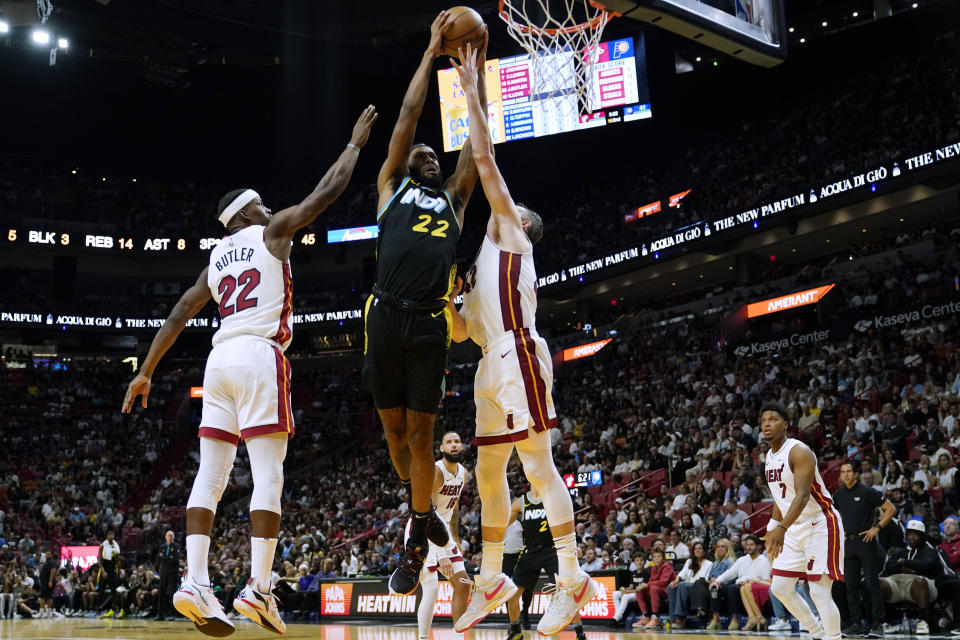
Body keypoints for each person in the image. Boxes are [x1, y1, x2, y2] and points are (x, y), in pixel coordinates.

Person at [122, 105, 378, 637]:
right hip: (261, 355)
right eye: (260, 204)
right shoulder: (270, 232)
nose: (268, 209)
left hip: (217, 362)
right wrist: (353, 146)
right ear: (245, 214)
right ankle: (259, 589)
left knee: (209, 478)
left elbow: (178, 314)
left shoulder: (214, 260)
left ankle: (195, 581)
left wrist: (146, 370)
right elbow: (324, 194)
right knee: (269, 477)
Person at [446, 43, 598, 637]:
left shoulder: (512, 234)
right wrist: (447, 298)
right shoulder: (481, 262)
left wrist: (471, 92)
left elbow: (483, 157)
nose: (505, 206)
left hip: (518, 353)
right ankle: (490, 580)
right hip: (488, 360)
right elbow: (460, 333)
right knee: (488, 476)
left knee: (537, 466)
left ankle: (572, 576)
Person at [362, 11, 486, 597]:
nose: (429, 156)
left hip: (431, 320)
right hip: (383, 315)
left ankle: (415, 537)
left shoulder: (454, 203)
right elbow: (409, 117)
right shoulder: (392, 187)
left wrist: (473, 78)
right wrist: (430, 49)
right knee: (393, 432)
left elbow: (475, 147)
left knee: (421, 434)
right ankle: (421, 506)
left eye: (434, 157)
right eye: (422, 155)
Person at [761, 403, 845, 640]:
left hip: (820, 523)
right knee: (780, 588)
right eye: (763, 420)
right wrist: (771, 529)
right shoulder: (768, 456)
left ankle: (834, 637)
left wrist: (781, 528)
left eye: (773, 419)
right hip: (793, 527)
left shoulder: (799, 451)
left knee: (820, 592)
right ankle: (816, 632)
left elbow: (803, 495)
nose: (767, 423)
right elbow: (781, 496)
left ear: (786, 424)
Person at [405, 432, 471, 640]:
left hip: (443, 531)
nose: (453, 445)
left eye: (457, 442)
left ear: (461, 447)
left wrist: (456, 539)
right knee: (431, 588)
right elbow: (427, 514)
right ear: (441, 448)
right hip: (422, 529)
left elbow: (453, 508)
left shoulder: (464, 473)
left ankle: (458, 637)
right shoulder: (436, 471)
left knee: (463, 585)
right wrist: (441, 554)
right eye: (449, 442)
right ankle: (424, 638)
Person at [505, 485, 586, 640]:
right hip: (530, 550)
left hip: (552, 549)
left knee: (566, 593)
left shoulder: (553, 497)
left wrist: (573, 544)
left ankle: (580, 634)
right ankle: (516, 631)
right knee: (513, 593)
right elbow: (503, 525)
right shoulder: (520, 502)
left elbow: (567, 520)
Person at [834, 461, 896, 636]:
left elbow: (890, 509)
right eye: (843, 472)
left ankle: (878, 623)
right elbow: (832, 516)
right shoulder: (838, 495)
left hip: (866, 542)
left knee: (871, 585)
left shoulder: (867, 492)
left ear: (855, 474)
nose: (845, 474)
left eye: (849, 471)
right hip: (848, 545)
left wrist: (877, 527)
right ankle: (854, 623)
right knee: (850, 586)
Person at [880, 519, 939, 634]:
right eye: (909, 534)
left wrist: (904, 562)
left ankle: (923, 622)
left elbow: (926, 565)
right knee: (877, 582)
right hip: (897, 583)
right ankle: (882, 622)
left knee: (920, 581)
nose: (912, 537)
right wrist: (906, 567)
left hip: (922, 584)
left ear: (922, 536)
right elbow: (889, 567)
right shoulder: (900, 552)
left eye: (915, 534)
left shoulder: (930, 551)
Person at [707, 535, 769, 630]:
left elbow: (766, 580)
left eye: (751, 545)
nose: (748, 547)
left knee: (732, 588)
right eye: (747, 545)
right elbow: (730, 573)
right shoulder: (742, 560)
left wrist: (751, 580)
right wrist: (717, 581)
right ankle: (715, 620)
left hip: (753, 587)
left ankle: (735, 620)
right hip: (739, 586)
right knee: (716, 589)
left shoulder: (763, 561)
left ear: (758, 546)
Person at [667, 540, 712, 628]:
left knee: (683, 585)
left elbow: (706, 580)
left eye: (700, 549)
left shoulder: (709, 564)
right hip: (686, 586)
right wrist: (676, 580)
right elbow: (682, 574)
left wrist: (690, 582)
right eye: (695, 549)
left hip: (698, 589)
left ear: (704, 551)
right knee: (671, 587)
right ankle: (673, 619)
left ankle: (680, 617)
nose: (697, 551)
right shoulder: (689, 562)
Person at [632, 548, 676, 629]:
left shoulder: (667, 566)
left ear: (663, 558)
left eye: (658, 557)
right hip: (657, 590)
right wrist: (643, 586)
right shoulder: (653, 568)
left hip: (668, 590)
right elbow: (652, 580)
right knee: (640, 590)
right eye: (654, 557)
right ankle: (645, 616)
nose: (656, 559)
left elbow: (663, 582)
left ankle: (655, 617)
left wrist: (647, 584)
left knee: (653, 588)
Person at [156, 530, 181, 621]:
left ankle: (171, 614)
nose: (169, 537)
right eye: (168, 535)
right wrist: (168, 557)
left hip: (172, 573)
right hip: (163, 572)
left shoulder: (176, 546)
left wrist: (164, 557)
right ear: (165, 537)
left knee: (172, 593)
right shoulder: (162, 547)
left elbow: (175, 559)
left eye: (171, 535)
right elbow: (158, 558)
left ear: (173, 537)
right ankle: (160, 614)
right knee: (161, 593)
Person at [98, 531, 121, 618]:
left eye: (112, 534)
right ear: (107, 536)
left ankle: (114, 610)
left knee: (113, 591)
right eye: (109, 535)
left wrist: (119, 571)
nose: (111, 536)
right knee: (101, 590)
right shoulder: (103, 545)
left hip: (112, 569)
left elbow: (118, 560)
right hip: (105, 568)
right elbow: (99, 560)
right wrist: (103, 571)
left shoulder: (116, 546)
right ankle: (99, 610)